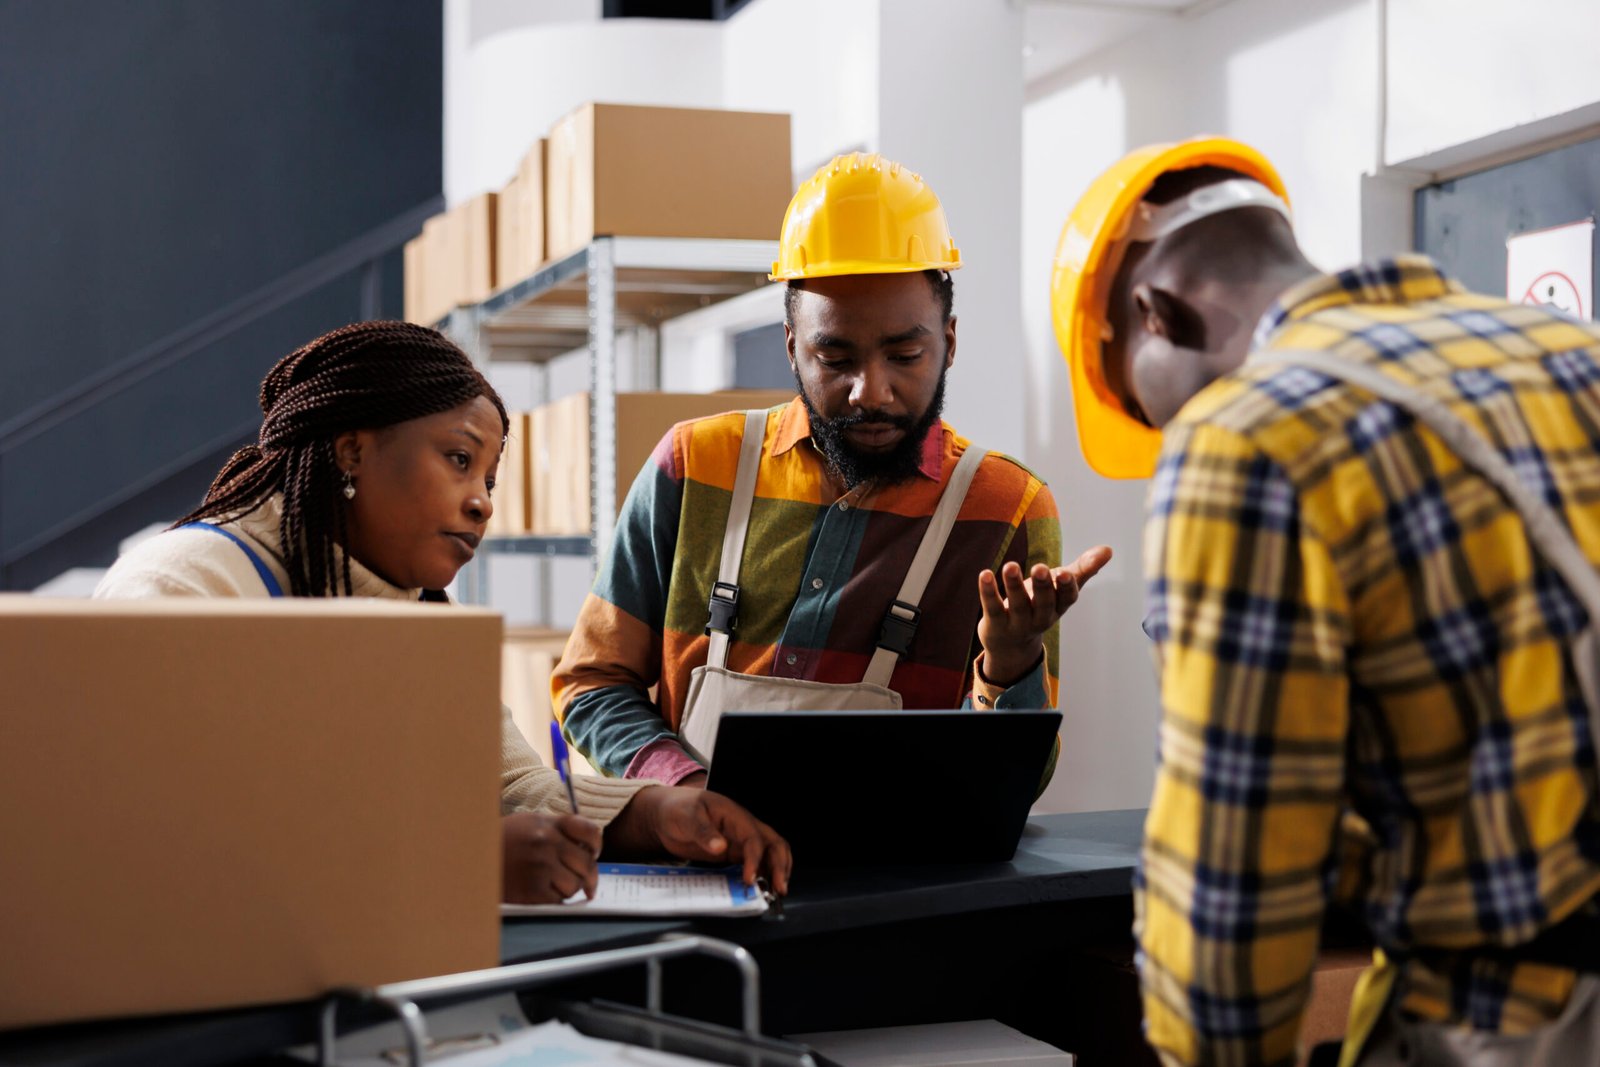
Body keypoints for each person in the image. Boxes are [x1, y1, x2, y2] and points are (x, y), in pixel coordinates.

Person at [1053, 137, 1600, 1066]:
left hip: (1514, 1024)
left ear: (1155, 312)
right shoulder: (1570, 352)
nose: (1166, 433)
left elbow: (1229, 921)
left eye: (1147, 409)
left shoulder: (1243, 438)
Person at [96, 320, 790, 905]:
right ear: (352, 449)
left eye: (488, 477)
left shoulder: (417, 618)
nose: (483, 501)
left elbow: (512, 785)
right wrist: (463, 863)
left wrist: (654, 812)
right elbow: (163, 844)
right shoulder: (182, 588)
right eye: (458, 459)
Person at [554, 152, 1111, 789]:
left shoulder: (1008, 506)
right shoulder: (692, 466)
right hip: (707, 874)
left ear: (949, 343)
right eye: (834, 356)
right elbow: (591, 683)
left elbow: (1015, 782)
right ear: (792, 345)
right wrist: (685, 792)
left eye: (905, 354)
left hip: (898, 883)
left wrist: (1011, 664)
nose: (869, 392)